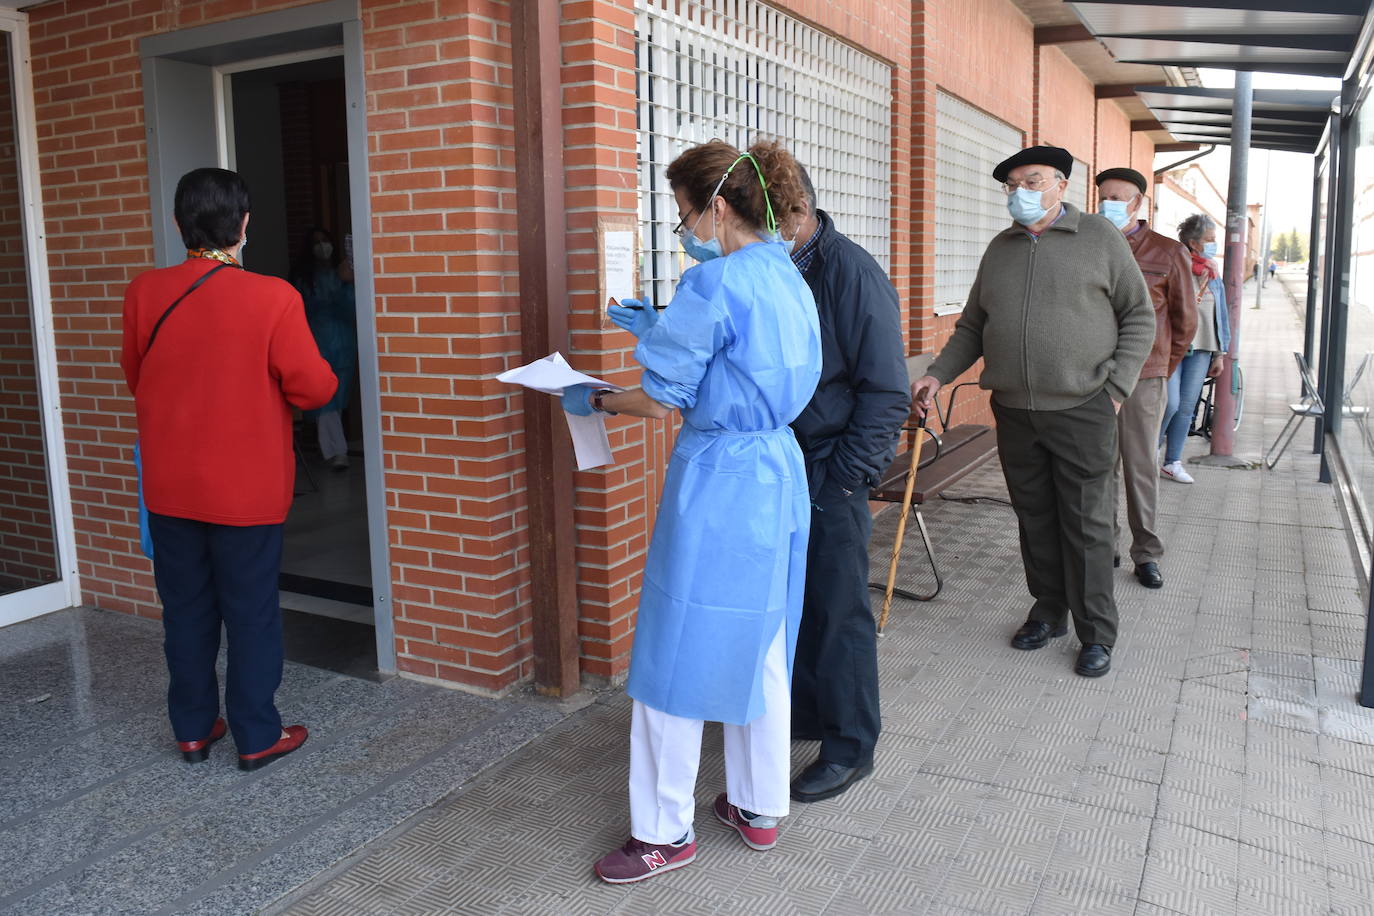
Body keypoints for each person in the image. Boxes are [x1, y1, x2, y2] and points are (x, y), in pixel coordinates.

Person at [561, 139, 821, 883]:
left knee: (674, 650)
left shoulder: (713, 285)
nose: (683, 230)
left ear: (716, 206)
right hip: (777, 466)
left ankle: (662, 832)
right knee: (763, 638)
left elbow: (663, 397)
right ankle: (758, 806)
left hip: (720, 478)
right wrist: (657, 330)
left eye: (682, 213)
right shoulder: (785, 271)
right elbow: (743, 359)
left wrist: (598, 397)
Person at [121, 168, 337, 770]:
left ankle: (192, 728)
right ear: (244, 225)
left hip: (169, 486)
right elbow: (313, 388)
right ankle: (255, 734)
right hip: (246, 491)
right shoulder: (273, 296)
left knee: (185, 611)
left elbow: (137, 377)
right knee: (250, 613)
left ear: (177, 223)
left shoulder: (144, 292)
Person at [910, 146, 1153, 678]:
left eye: (1032, 180)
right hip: (1016, 410)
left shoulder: (1100, 239)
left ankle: (1096, 632)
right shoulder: (1001, 248)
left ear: (1061, 184)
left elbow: (1139, 316)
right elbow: (973, 325)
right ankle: (1048, 611)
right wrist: (937, 373)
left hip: (1083, 407)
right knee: (1035, 518)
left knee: (1087, 525)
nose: (1020, 192)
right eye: (1012, 184)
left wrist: (1114, 389)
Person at [785, 167, 909, 803]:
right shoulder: (783, 269)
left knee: (838, 611)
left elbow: (888, 391)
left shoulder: (848, 271)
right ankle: (808, 715)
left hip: (832, 465)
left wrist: (845, 478)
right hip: (785, 463)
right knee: (799, 605)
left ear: (800, 211)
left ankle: (851, 746)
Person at [1095, 168, 1196, 590]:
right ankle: (1104, 548)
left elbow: (1184, 322)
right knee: (1099, 468)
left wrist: (1158, 369)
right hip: (1092, 377)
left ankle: (1147, 553)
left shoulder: (1168, 252)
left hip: (1143, 379)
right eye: (1104, 196)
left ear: (1138, 203)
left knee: (1139, 468)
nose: (1109, 204)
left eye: (1119, 197)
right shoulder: (1090, 243)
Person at [1160, 214, 1231, 483]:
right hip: (1173, 346)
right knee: (1170, 403)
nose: (1213, 245)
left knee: (1187, 406)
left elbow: (1221, 313)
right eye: (1209, 240)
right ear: (1192, 242)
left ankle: (1172, 462)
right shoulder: (1173, 266)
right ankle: (1149, 453)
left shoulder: (1212, 272)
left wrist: (1220, 353)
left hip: (1203, 347)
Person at [291, 227, 357, 471]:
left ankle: (334, 449)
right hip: (317, 341)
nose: (323, 246)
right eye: (317, 242)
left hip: (343, 342)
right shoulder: (304, 278)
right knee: (325, 399)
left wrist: (346, 281)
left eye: (326, 241)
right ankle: (335, 451)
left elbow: (350, 307)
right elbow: (305, 307)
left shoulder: (340, 275)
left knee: (337, 400)